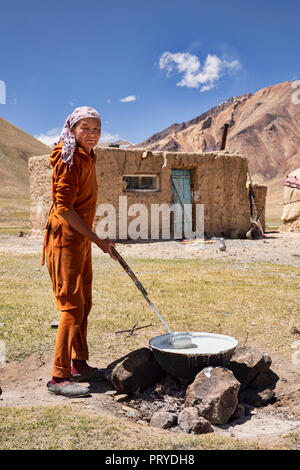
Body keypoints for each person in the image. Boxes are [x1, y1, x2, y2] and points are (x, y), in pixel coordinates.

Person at [41, 106, 117, 398]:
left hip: (80, 240)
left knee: (84, 301)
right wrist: (98, 240)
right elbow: (63, 208)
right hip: (65, 239)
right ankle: (58, 378)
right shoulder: (69, 160)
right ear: (72, 129)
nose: (92, 134)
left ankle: (79, 365)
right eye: (86, 128)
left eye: (96, 129)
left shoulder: (88, 156)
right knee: (71, 307)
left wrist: (93, 240)